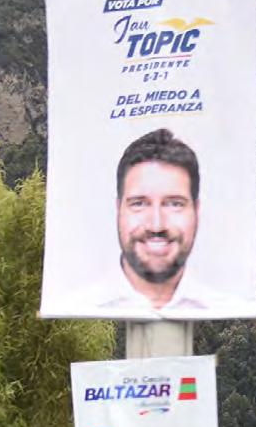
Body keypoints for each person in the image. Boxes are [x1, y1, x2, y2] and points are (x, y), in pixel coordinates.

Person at [87, 129, 229, 314]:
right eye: (139, 203)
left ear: (196, 210)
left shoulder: (227, 308)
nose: (156, 225)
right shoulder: (77, 306)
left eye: (174, 204)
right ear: (118, 208)